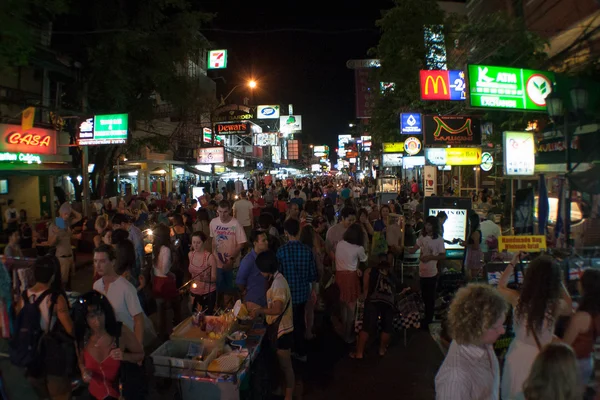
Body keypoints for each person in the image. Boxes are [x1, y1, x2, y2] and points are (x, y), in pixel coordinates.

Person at [499, 252, 573, 400]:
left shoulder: (518, 299)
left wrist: (513, 262)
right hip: (541, 359)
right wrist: (557, 279)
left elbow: (500, 286)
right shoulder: (554, 305)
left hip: (517, 355)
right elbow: (569, 305)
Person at [13, 255, 75, 400]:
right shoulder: (55, 298)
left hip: (30, 354)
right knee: (61, 394)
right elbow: (70, 329)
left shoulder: (24, 297)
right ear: (52, 276)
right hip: (51, 354)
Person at [435, 284, 508, 400]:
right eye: (496, 327)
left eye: (502, 324)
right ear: (476, 328)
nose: (502, 331)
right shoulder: (454, 380)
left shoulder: (481, 342)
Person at [74, 291, 144, 400]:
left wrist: (124, 356)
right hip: (95, 395)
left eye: (100, 314)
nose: (97, 321)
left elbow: (140, 355)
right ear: (84, 319)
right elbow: (80, 360)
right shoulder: (82, 338)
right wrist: (84, 371)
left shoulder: (120, 332)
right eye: (92, 316)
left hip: (122, 395)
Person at [250, 251, 294, 400]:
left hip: (283, 331)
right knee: (281, 365)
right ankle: (282, 391)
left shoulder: (278, 284)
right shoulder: (276, 279)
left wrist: (259, 311)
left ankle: (288, 395)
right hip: (278, 330)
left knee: (286, 366)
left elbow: (278, 308)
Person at [277, 218, 317, 361]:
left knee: (288, 324)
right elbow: (312, 274)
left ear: (286, 232)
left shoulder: (281, 251)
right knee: (300, 321)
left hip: (287, 294)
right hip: (302, 293)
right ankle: (301, 352)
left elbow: (279, 274)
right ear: (299, 231)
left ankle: (291, 351)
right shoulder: (307, 250)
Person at [92, 244, 144, 345]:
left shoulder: (126, 288)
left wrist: (138, 349)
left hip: (125, 342)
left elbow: (138, 320)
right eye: (95, 261)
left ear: (113, 262)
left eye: (102, 261)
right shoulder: (96, 286)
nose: (97, 266)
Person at [563, 269, 600, 392]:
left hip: (574, 363)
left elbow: (565, 345)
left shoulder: (582, 316)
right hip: (587, 361)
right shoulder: (595, 311)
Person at [351, 260, 397, 359]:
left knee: (366, 327)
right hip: (389, 302)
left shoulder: (370, 270)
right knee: (386, 327)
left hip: (374, 300)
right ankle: (382, 350)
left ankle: (359, 354)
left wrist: (363, 299)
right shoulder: (391, 276)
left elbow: (366, 289)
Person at [408, 216, 446, 328]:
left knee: (429, 297)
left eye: (429, 224)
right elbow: (414, 249)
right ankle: (426, 316)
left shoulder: (439, 239)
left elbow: (443, 255)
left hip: (432, 272)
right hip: (422, 271)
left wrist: (430, 257)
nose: (427, 226)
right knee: (424, 295)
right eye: (426, 224)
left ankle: (428, 319)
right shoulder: (422, 237)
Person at [210, 200, 247, 306]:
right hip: (217, 263)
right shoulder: (213, 222)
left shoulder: (236, 224)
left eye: (225, 212)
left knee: (233, 289)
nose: (222, 215)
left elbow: (241, 244)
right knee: (219, 288)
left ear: (230, 211)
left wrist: (231, 259)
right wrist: (212, 257)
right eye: (220, 211)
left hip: (233, 264)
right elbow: (213, 240)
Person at [335, 223, 368, 343]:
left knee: (343, 305)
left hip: (339, 276)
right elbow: (364, 259)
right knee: (351, 307)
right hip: (351, 278)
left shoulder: (340, 244)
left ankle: (344, 331)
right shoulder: (358, 248)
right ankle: (348, 334)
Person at [38, 203, 82, 289]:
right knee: (62, 282)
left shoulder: (66, 223)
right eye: (65, 214)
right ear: (60, 213)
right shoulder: (55, 224)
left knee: (69, 281)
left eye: (68, 214)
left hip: (69, 254)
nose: (67, 216)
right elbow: (50, 243)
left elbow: (79, 217)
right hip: (61, 256)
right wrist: (56, 234)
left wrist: (71, 209)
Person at [151, 224, 182, 338]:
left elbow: (156, 267)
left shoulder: (155, 247)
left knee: (160, 309)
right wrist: (172, 274)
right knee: (175, 305)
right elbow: (165, 269)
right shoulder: (166, 249)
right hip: (166, 282)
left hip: (157, 280)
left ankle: (161, 332)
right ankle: (177, 328)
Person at [236, 230, 269, 311]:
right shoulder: (248, 260)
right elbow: (240, 282)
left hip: (266, 300)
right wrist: (244, 292)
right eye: (263, 240)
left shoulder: (267, 257)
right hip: (253, 301)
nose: (267, 242)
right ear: (255, 243)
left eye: (266, 240)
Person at [188, 231, 218, 314]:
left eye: (198, 242)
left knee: (206, 318)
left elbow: (214, 278)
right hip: (194, 291)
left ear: (203, 243)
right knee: (195, 316)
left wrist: (203, 278)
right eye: (194, 242)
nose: (196, 245)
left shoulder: (209, 257)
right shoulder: (190, 255)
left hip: (207, 292)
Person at [111, 213, 144, 279]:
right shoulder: (128, 231)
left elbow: (139, 250)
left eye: (116, 226)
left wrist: (142, 266)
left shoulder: (134, 232)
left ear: (123, 224)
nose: (115, 229)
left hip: (134, 263)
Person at [461, 212, 483, 281]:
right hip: (472, 254)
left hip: (474, 255)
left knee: (473, 274)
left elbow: (475, 246)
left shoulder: (475, 233)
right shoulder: (474, 232)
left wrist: (466, 245)